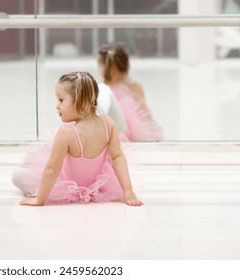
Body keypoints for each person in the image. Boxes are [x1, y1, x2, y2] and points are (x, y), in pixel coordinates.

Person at [12, 71, 143, 207]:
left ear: (82, 102)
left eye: (61, 100)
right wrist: (128, 190)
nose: (56, 105)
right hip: (98, 186)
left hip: (65, 186)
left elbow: (52, 169)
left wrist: (40, 199)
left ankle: (27, 165)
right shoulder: (108, 123)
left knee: (17, 176)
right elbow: (117, 157)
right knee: (39, 157)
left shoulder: (66, 132)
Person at [97, 42, 162, 141]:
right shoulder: (105, 88)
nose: (99, 69)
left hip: (130, 135)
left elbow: (144, 113)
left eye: (100, 64)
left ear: (111, 67)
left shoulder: (131, 86)